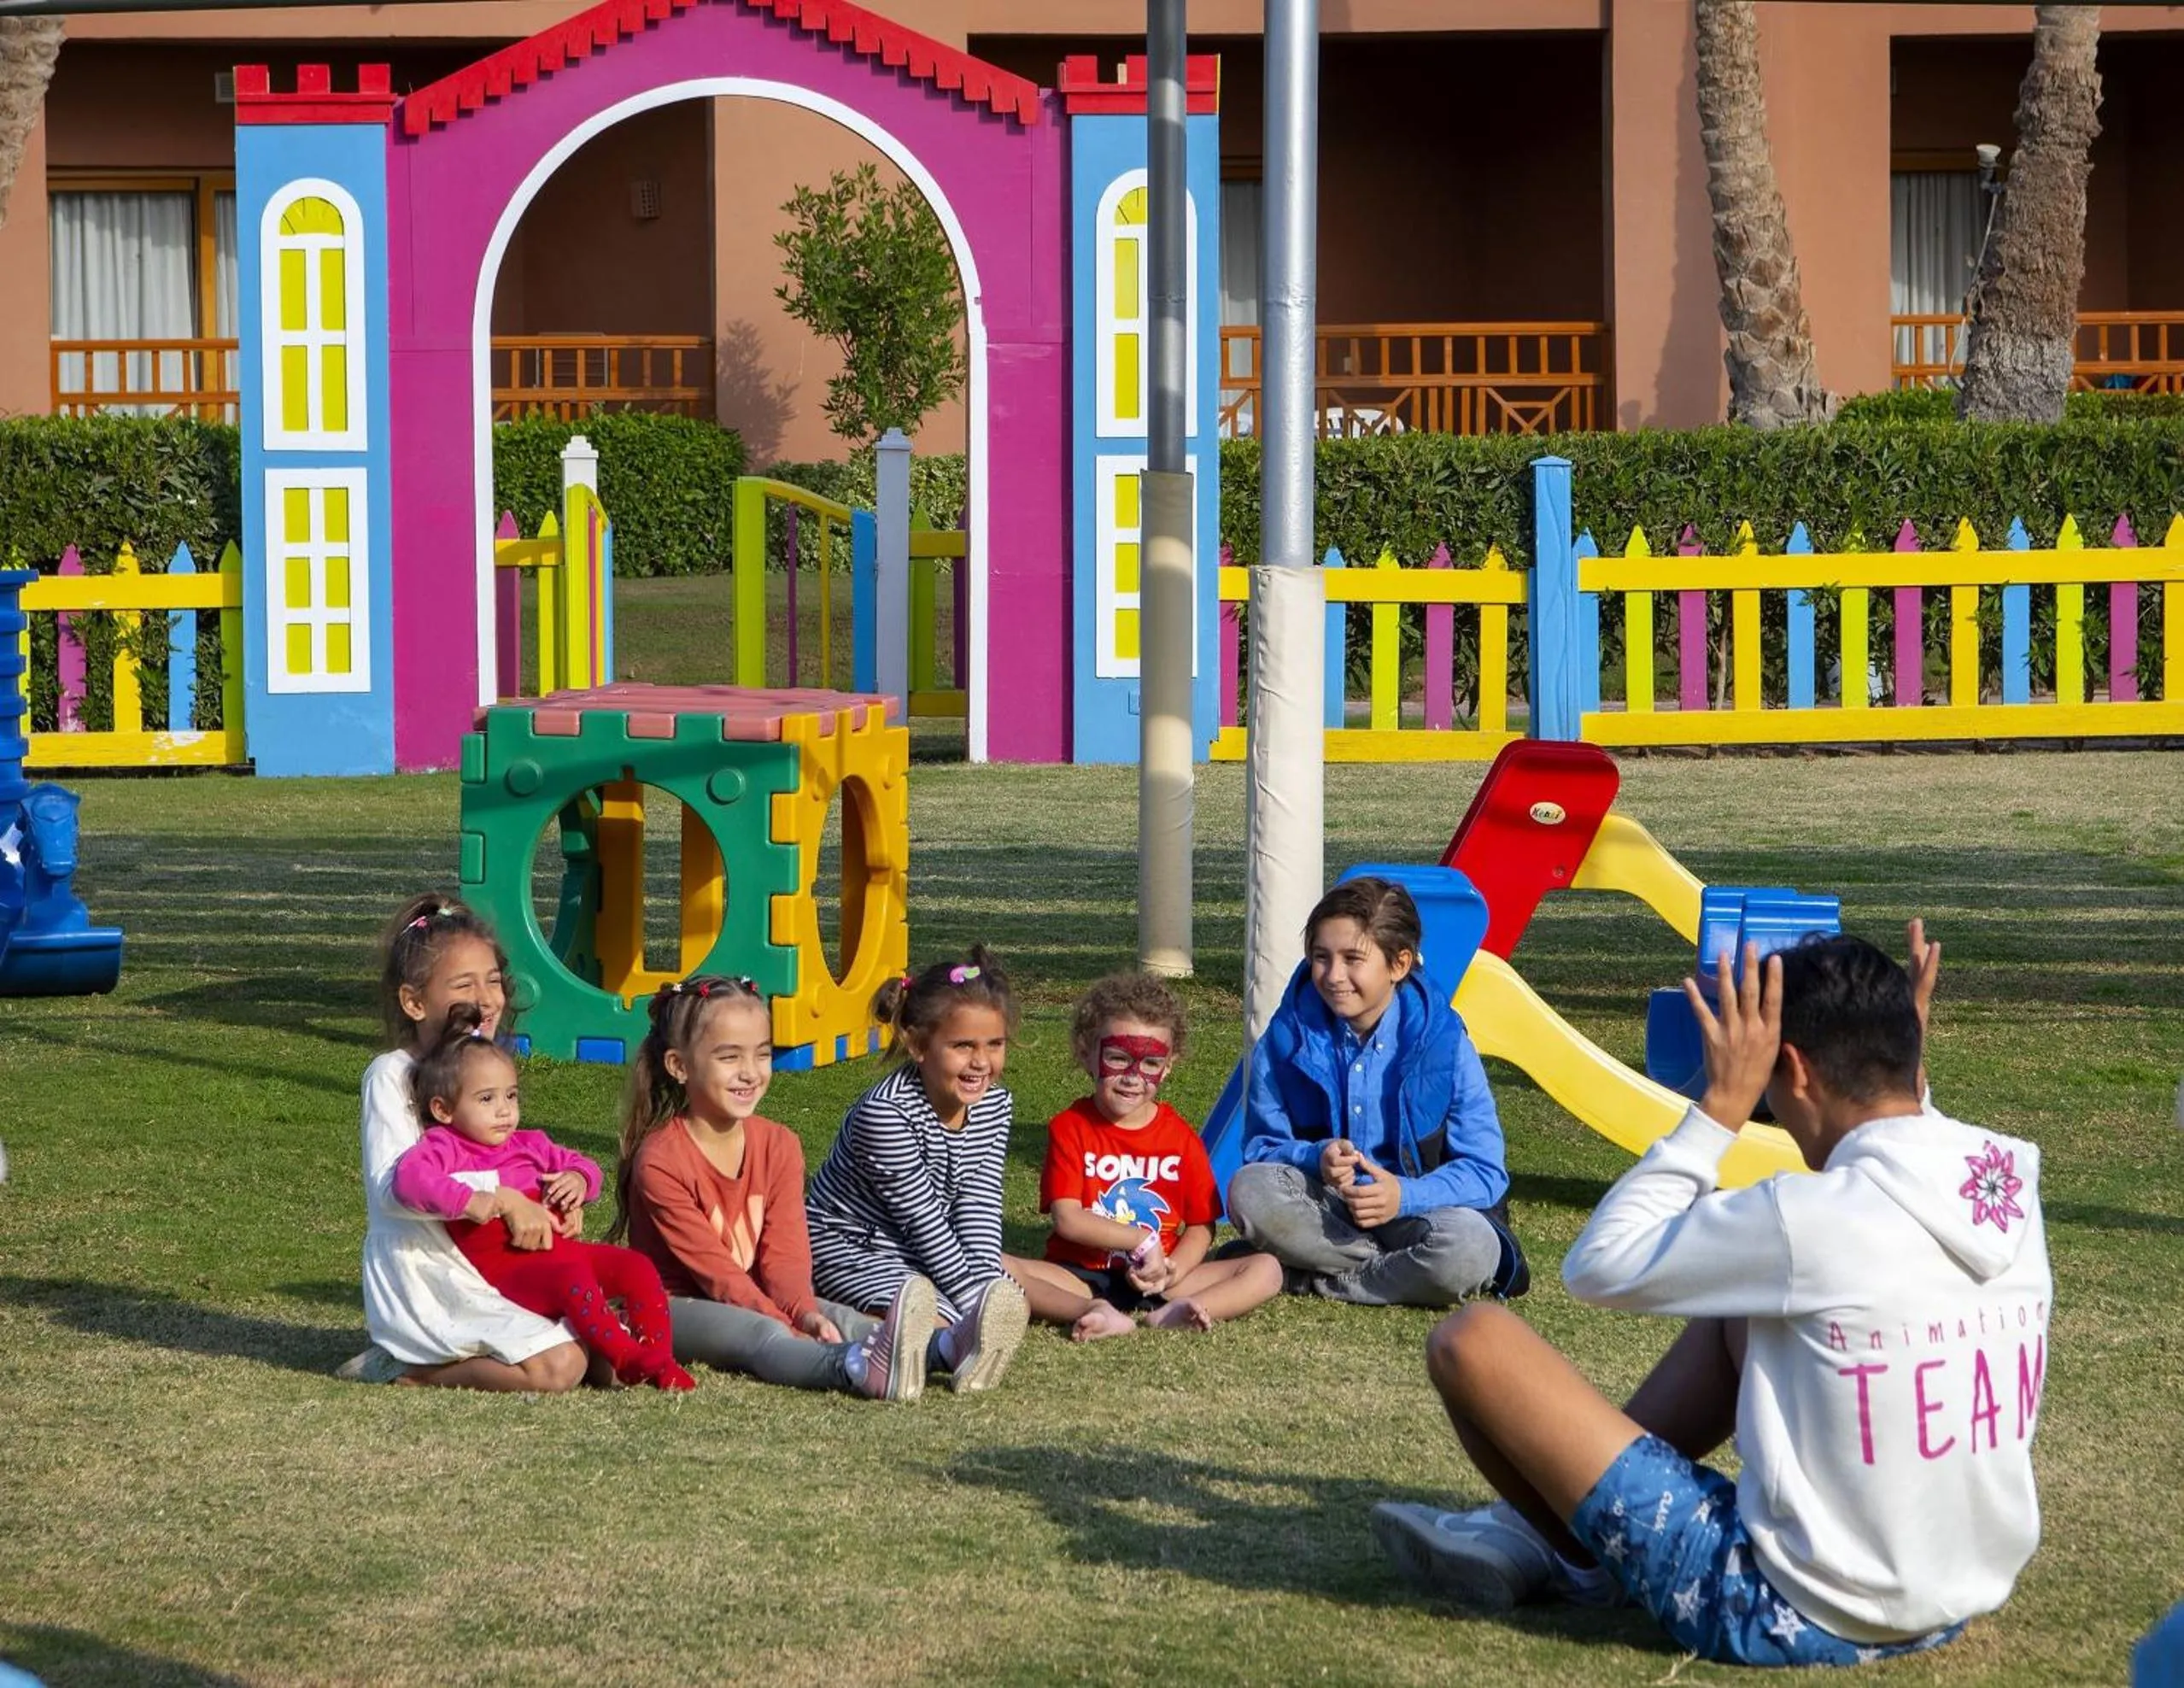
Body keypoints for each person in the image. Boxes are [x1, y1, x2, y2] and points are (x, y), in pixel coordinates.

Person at [1373, 923, 2051, 1669]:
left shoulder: (1801, 1219)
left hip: (1791, 1607)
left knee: (1471, 1340)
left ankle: (1571, 1552)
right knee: (1743, 1311)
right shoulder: (2004, 1180)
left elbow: (1597, 1265)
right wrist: (1907, 1072)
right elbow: (1904, 1154)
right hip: (1950, 1600)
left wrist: (1719, 1109)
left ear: (1791, 1070)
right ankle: (1554, 1529)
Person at [612, 975, 935, 1401]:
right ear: (679, 1066)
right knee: (762, 1332)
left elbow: (785, 1256)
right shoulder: (661, 1161)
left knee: (838, 1315)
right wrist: (785, 1322)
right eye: (729, 1057)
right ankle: (855, 1369)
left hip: (750, 1294)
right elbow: (719, 1277)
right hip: (671, 1306)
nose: (750, 1072)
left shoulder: (780, 1144)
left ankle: (945, 1348)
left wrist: (802, 1311)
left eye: (762, 1054)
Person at [1227, 877, 1527, 1306]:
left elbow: (1485, 1172)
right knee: (1249, 1190)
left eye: (1353, 959)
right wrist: (1316, 1157)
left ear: (1399, 964)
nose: (1334, 976)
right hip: (1325, 1212)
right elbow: (1261, 1149)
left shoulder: (1445, 1042)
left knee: (1471, 1247)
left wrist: (1404, 1196)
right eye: (1321, 957)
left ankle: (1312, 1279)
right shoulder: (1284, 1038)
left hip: (1421, 1213)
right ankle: (1393, 1271)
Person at [337, 894, 588, 1392]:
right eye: (464, 985)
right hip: (428, 1274)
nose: (487, 999)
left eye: (493, 980)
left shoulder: (484, 1066)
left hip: (493, 1260)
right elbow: (392, 1193)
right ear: (414, 1002)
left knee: (601, 1349)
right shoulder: (391, 1075)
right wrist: (505, 1200)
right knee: (558, 1368)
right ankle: (407, 1367)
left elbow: (511, 1158)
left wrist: (555, 1194)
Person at [393, 1007, 694, 1391]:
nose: (504, 1109)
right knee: (572, 1278)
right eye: (486, 1099)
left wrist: (578, 1181)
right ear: (443, 1110)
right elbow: (409, 1180)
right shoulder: (445, 1146)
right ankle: (625, 1357)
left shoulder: (531, 1143)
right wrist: (476, 1199)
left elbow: (586, 1166)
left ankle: (659, 1360)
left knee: (636, 1267)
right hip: (513, 1270)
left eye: (511, 1095)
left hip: (563, 1251)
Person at [803, 948, 1030, 1392]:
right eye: (963, 1046)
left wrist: (986, 1289)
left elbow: (979, 1206)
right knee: (933, 1310)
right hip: (848, 1246)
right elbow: (923, 1222)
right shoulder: (886, 1114)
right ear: (918, 1045)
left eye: (994, 1044)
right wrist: (972, 1306)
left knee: (999, 1291)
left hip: (914, 1249)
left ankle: (975, 1332)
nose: (982, 1062)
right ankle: (940, 1347)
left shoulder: (996, 1105)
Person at [1013, 974, 1283, 1339]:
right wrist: (1141, 1240)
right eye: (1118, 1058)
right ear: (1086, 1052)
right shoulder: (1070, 1128)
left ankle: (1179, 1311)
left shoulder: (1181, 1138)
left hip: (1162, 1280)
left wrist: (1173, 1271)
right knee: (995, 1265)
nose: (1132, 1077)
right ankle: (1093, 1311)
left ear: (1168, 1065)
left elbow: (1201, 1226)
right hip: (1080, 1275)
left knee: (1267, 1269)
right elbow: (1068, 1220)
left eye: (1150, 1063)